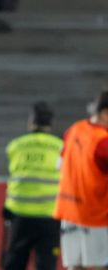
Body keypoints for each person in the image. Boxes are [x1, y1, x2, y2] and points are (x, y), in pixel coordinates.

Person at [1, 102, 63, 270]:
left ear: (31, 121)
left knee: (14, 262)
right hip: (49, 216)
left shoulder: (15, 146)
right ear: (50, 123)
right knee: (46, 264)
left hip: (19, 216)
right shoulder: (61, 148)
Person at [53, 91, 108, 270]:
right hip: (95, 216)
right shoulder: (103, 142)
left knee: (74, 266)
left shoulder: (74, 129)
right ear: (104, 113)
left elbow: (59, 164)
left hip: (69, 212)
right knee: (99, 265)